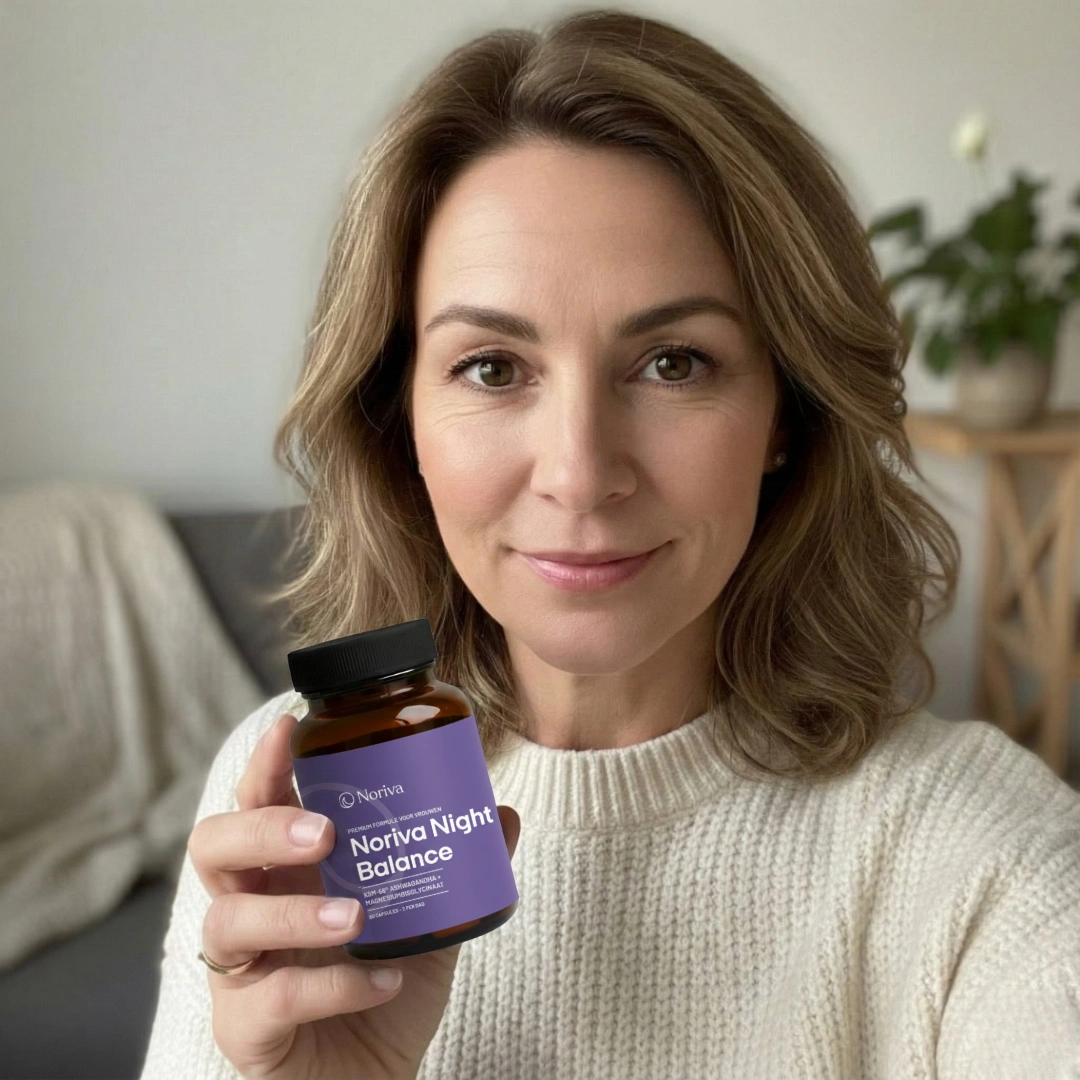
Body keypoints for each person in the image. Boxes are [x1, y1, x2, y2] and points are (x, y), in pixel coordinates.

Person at [141, 8, 1080, 1079]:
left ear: (786, 411)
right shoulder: (289, 796)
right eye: (493, 368)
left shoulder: (990, 866)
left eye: (674, 362)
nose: (581, 472)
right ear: (398, 422)